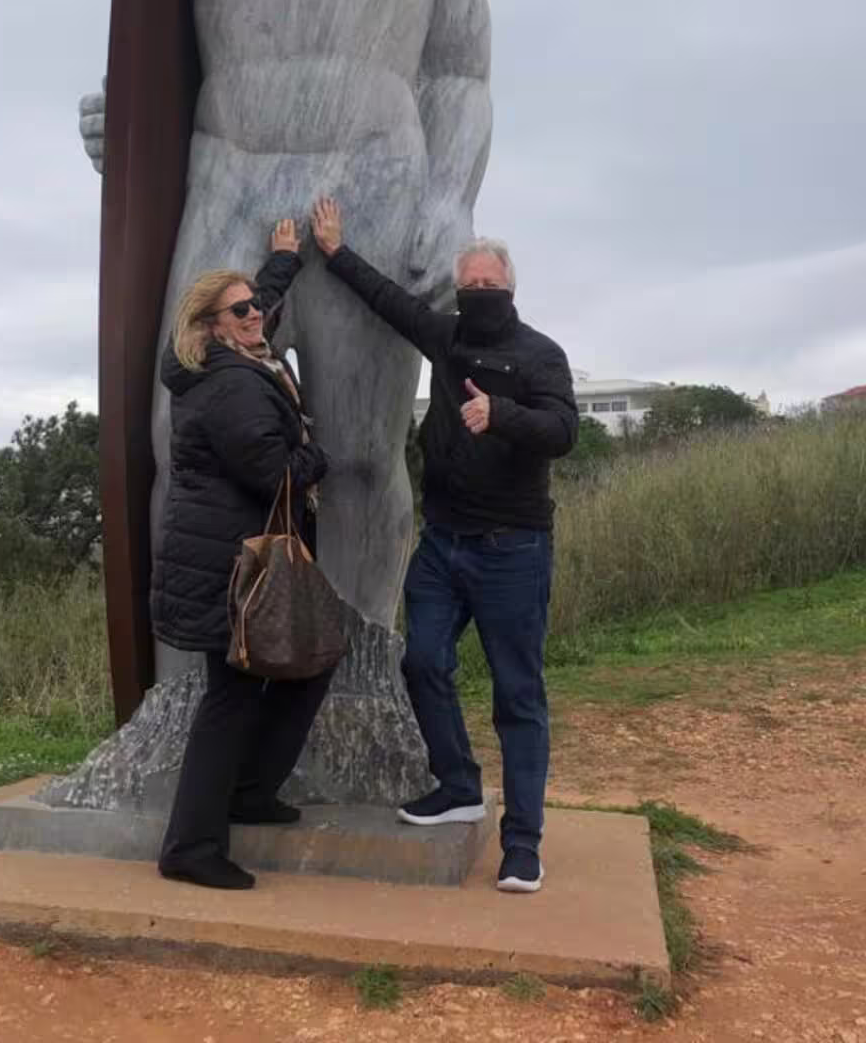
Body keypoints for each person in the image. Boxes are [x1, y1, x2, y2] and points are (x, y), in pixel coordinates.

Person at [310, 197, 577, 895]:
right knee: (422, 661)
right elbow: (391, 303)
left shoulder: (541, 354)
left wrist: (503, 414)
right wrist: (335, 252)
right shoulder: (448, 337)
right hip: (443, 544)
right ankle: (458, 784)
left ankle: (523, 845)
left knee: (518, 697)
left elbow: (563, 431)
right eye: (471, 287)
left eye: (489, 287)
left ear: (510, 289)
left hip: (513, 548)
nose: (479, 296)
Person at [152, 218, 334, 891]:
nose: (257, 314)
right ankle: (191, 846)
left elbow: (266, 308)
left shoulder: (228, 362)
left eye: (256, 304)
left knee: (300, 671)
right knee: (232, 697)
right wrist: (322, 452)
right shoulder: (230, 385)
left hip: (232, 560)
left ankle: (250, 792)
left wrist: (281, 262)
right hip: (234, 569)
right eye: (242, 309)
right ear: (210, 326)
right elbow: (275, 471)